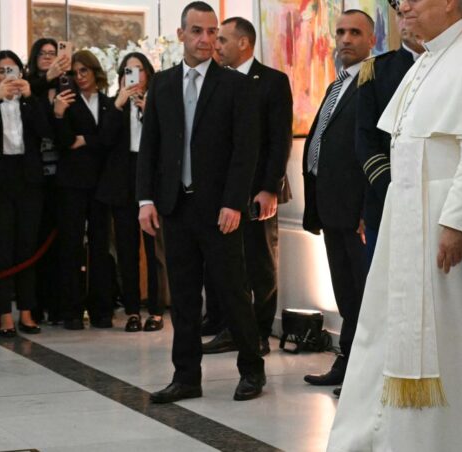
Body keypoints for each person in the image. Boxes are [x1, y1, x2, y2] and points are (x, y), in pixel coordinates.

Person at [327, 2, 462, 450]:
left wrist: (458, 222)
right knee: (385, 333)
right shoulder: (425, 62)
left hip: (446, 228)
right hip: (406, 221)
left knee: (451, 341)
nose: (402, 6)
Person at [137, 1, 264, 403]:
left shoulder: (235, 85)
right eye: (197, 31)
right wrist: (146, 199)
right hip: (175, 207)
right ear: (181, 35)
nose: (206, 39)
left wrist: (234, 202)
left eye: (212, 32)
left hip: (220, 208)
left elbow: (246, 151)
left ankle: (252, 370)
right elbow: (150, 147)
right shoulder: (162, 84)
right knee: (184, 298)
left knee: (233, 292)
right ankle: (186, 377)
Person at [201, 16, 293, 356]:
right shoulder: (216, 81)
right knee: (227, 264)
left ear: (243, 43)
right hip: (223, 191)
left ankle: (260, 333)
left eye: (222, 39)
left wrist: (269, 188)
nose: (216, 45)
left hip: (258, 191)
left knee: (260, 264)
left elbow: (279, 140)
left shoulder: (272, 81)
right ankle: (231, 328)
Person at [301, 9, 375, 389]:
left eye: (355, 33)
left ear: (372, 40)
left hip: (357, 212)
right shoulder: (337, 85)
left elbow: (376, 148)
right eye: (341, 32)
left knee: (363, 295)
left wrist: (368, 208)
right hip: (331, 208)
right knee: (346, 294)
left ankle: (363, 374)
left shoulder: (373, 84)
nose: (346, 39)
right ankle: (346, 362)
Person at [0, 50, 50, 337]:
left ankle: (27, 311)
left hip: (27, 178)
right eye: (1, 71)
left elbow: (45, 130)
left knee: (26, 246)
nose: (8, 76)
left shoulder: (30, 101)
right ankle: (3, 313)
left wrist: (30, 98)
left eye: (12, 70)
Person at [95, 52, 164, 333]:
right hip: (122, 182)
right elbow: (103, 140)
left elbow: (167, 141)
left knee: (154, 249)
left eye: (138, 70)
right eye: (127, 70)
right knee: (126, 249)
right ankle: (133, 310)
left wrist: (149, 111)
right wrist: (118, 105)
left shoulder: (159, 101)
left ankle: (156, 310)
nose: (133, 75)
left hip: (152, 182)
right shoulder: (114, 104)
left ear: (148, 74)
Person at [51, 50, 118, 330]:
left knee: (101, 247)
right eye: (75, 72)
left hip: (101, 183)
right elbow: (65, 141)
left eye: (84, 71)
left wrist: (86, 140)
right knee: (71, 246)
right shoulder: (67, 101)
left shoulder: (108, 103)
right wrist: (58, 115)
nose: (79, 77)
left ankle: (102, 309)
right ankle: (71, 310)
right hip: (72, 183)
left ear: (94, 71)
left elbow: (110, 139)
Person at [355, 7, 423, 265]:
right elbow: (365, 140)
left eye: (410, 13)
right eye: (399, 15)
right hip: (385, 200)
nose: (404, 21)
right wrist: (393, 188)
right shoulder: (377, 70)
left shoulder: (452, 66)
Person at [24, 37, 68, 325]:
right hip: (33, 172)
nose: (48, 57)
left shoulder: (65, 86)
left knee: (60, 243)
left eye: (53, 53)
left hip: (61, 173)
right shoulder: (28, 86)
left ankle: (58, 303)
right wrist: (45, 82)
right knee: (35, 240)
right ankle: (34, 303)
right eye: (43, 53)